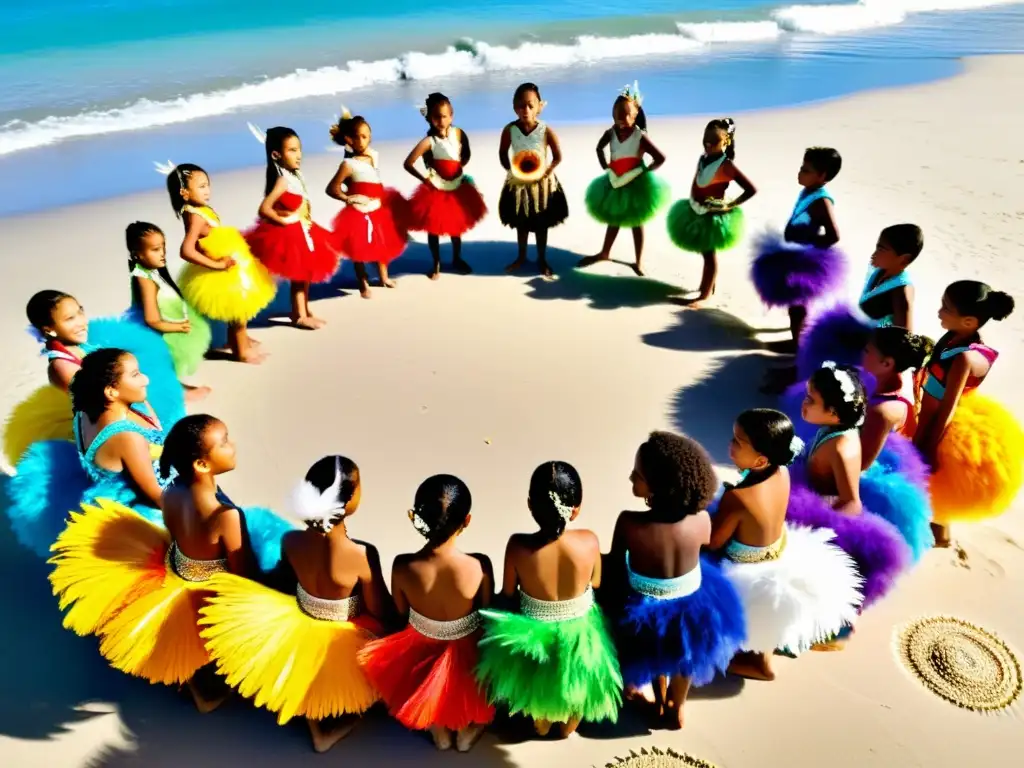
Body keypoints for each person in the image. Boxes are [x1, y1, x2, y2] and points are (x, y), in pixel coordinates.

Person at [47, 414, 268, 713]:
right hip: (208, 592)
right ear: (202, 464)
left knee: (184, 637)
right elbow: (242, 574)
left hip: (175, 575)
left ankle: (183, 673)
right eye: (225, 442)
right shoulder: (226, 516)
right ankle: (208, 690)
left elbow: (175, 531)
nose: (233, 446)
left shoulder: (172, 493)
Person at [200, 455, 390, 753]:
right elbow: (377, 608)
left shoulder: (291, 540)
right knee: (380, 642)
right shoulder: (362, 554)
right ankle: (325, 724)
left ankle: (307, 703)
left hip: (297, 626)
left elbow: (287, 582)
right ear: (349, 500)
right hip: (341, 636)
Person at [708, 410, 862, 680]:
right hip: (779, 551)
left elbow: (714, 542)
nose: (729, 445)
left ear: (761, 459)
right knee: (767, 620)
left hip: (747, 569)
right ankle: (763, 650)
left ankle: (760, 664)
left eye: (737, 442)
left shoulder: (739, 498)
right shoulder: (781, 472)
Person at [606, 432, 744, 729]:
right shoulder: (702, 520)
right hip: (693, 600)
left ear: (658, 487)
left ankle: (657, 696)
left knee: (653, 645)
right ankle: (676, 705)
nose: (631, 477)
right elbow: (705, 547)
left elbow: (617, 562)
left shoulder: (630, 522)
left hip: (644, 605)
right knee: (686, 651)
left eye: (637, 475)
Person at [476, 461, 621, 738]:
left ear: (531, 505)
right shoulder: (590, 541)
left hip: (533, 636)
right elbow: (597, 582)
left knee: (535, 691)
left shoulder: (518, 545)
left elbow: (508, 592)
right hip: (580, 634)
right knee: (577, 683)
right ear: (575, 509)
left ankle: (542, 723)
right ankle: (566, 725)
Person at [358, 475, 495, 752]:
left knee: (424, 678)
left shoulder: (403, 565)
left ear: (417, 517)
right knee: (477, 676)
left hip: (421, 644)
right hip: (465, 647)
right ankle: (467, 732)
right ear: (466, 520)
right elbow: (486, 610)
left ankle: (439, 732)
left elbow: (401, 611)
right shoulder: (479, 566)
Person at [786, 363, 910, 612]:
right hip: (808, 489)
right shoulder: (834, 429)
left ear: (833, 412)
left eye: (811, 399)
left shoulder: (841, 449)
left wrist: (815, 536)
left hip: (821, 509)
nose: (804, 402)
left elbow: (852, 502)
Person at [915, 281, 1022, 545]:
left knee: (930, 483)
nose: (939, 312)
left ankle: (937, 534)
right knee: (931, 488)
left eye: (946, 308)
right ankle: (937, 531)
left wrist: (928, 446)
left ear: (969, 321)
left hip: (937, 427)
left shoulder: (965, 358)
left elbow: (948, 407)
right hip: (926, 417)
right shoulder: (954, 337)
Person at [165, 162, 276, 364]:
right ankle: (241, 352)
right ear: (184, 193)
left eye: (207, 185)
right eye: (200, 186)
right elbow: (187, 250)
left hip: (233, 263)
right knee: (239, 312)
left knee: (238, 311)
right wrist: (216, 265)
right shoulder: (195, 215)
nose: (207, 191)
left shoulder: (201, 210)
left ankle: (236, 341)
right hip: (222, 269)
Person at [754, 147, 845, 393]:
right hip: (793, 256)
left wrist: (807, 254)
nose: (800, 173)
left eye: (806, 170)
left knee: (800, 312)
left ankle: (802, 365)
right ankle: (798, 350)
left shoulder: (821, 200)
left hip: (803, 263)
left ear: (822, 175)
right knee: (795, 310)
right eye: (801, 167)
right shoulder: (808, 191)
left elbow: (834, 235)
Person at [794, 224, 924, 381]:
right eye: (877, 246)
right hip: (858, 335)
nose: (874, 253)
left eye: (882, 249)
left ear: (904, 258)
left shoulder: (901, 293)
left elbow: (905, 337)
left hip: (867, 349)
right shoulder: (879, 270)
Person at [246, 126, 338, 329]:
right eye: (292, 150)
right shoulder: (282, 180)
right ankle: (298, 315)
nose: (299, 155)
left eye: (299, 149)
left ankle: (303, 309)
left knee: (306, 273)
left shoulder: (295, 175)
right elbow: (264, 209)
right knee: (300, 274)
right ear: (277, 155)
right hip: (291, 232)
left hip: (304, 228)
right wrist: (284, 221)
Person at [579, 82, 668, 276]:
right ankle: (605, 252)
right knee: (614, 218)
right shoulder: (610, 133)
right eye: (617, 115)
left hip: (635, 183)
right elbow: (598, 148)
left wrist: (646, 172)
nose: (621, 119)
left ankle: (638, 261)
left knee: (636, 223)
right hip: (615, 180)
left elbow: (660, 158)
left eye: (626, 115)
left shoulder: (640, 136)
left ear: (635, 115)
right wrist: (604, 164)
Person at [665, 118, 756, 308]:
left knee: (708, 254)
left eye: (713, 142)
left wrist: (729, 205)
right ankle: (708, 287)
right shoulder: (703, 158)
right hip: (695, 209)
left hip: (712, 215)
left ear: (726, 142)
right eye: (705, 140)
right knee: (703, 251)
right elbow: (697, 180)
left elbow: (750, 189)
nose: (707, 145)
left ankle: (704, 296)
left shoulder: (727, 165)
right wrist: (691, 200)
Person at [327, 109, 410, 298]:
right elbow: (332, 188)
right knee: (359, 247)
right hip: (358, 210)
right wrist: (347, 198)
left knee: (382, 242)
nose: (367, 140)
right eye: (362, 137)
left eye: (368, 136)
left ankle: (383, 277)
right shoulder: (348, 164)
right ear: (350, 140)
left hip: (377, 206)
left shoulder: (374, 156)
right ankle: (363, 282)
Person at [126, 222, 212, 400]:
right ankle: (176, 393)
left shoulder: (150, 273)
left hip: (167, 324)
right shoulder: (145, 280)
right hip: (163, 331)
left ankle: (177, 386)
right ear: (137, 254)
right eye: (155, 249)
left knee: (169, 363)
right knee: (166, 360)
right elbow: (151, 319)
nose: (163, 253)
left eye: (163, 247)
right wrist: (178, 327)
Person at [404, 93, 486, 279]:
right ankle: (436, 264)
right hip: (436, 189)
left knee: (456, 227)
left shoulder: (458, 133)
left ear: (451, 116)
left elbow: (466, 152)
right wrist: (424, 179)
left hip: (457, 187)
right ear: (430, 119)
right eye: (436, 117)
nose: (441, 121)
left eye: (444, 116)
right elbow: (408, 163)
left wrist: (458, 168)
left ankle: (456, 258)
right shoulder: (429, 141)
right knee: (434, 229)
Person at [497, 82, 568, 278]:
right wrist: (510, 169)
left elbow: (558, 156)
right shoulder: (509, 129)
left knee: (540, 224)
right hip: (518, 182)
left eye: (530, 105)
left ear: (539, 107)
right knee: (521, 222)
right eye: (521, 105)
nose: (525, 110)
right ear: (514, 107)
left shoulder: (545, 130)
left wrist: (547, 171)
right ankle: (521, 256)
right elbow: (503, 152)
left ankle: (542, 258)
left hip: (541, 184)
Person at [860, 326, 933, 467]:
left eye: (867, 351)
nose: (862, 354)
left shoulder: (883, 411)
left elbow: (860, 466)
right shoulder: (873, 391)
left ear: (886, 364)